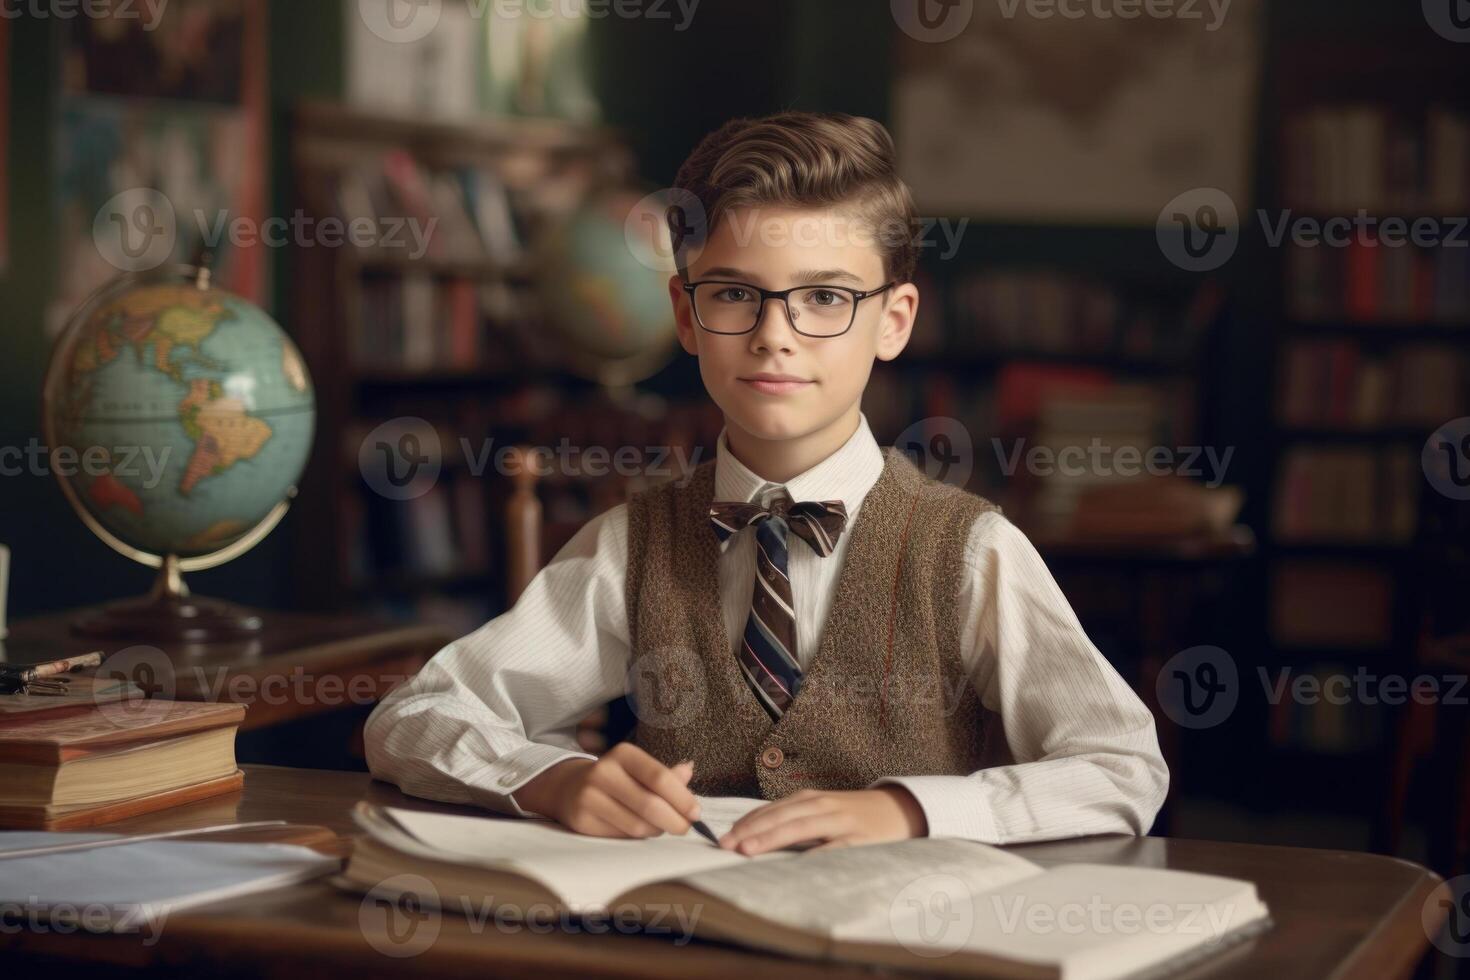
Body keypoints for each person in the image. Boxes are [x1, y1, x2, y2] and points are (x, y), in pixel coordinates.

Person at [365, 111, 1168, 856]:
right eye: (737, 295)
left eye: (824, 297)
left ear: (894, 321)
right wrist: (552, 779)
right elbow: (412, 718)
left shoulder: (971, 553)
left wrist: (913, 810)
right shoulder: (630, 544)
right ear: (685, 314)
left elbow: (1123, 767)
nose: (774, 336)